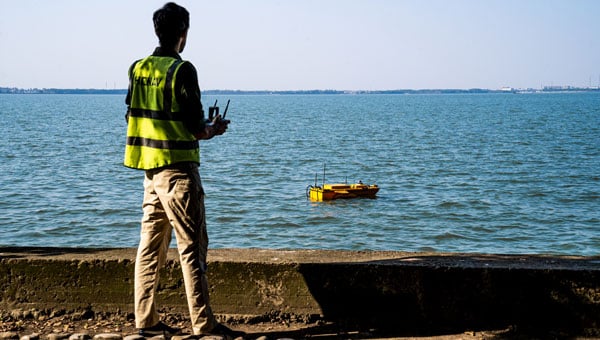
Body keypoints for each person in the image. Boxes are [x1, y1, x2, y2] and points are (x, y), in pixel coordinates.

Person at [124, 2, 243, 338]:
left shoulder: (138, 68)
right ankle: (204, 325)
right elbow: (195, 129)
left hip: (149, 172)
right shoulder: (182, 70)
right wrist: (214, 129)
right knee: (192, 248)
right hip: (178, 174)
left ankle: (145, 320)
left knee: (149, 248)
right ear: (182, 33)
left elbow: (133, 114)